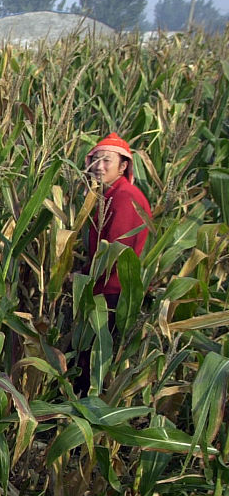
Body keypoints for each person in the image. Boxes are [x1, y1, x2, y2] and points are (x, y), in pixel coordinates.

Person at [74, 131, 152, 394]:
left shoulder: (124, 197)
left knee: (94, 360)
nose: (99, 166)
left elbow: (115, 252)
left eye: (107, 161)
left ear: (124, 165)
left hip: (112, 293)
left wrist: (85, 277)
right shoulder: (106, 195)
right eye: (95, 160)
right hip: (103, 290)